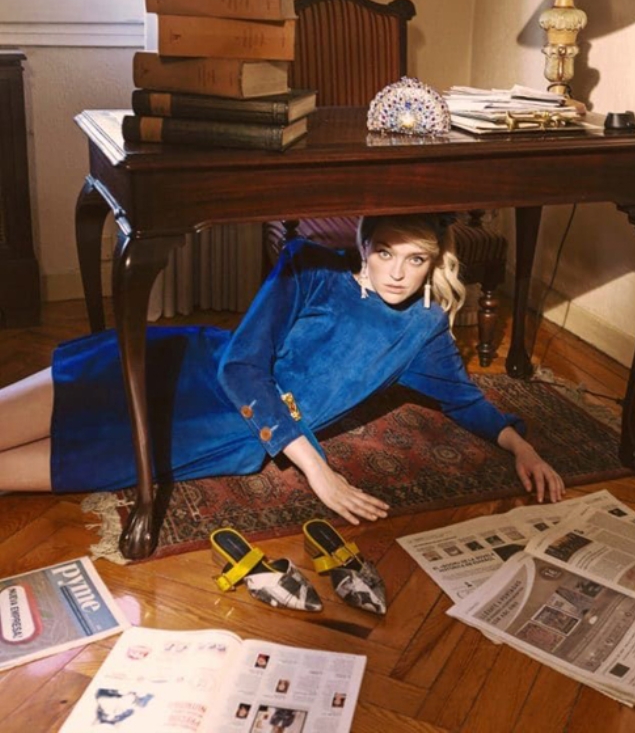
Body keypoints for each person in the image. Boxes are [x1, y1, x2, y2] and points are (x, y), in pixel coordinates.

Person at [0, 214, 563, 516]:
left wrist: (524, 448)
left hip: (215, 433)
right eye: (385, 252)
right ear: (364, 245)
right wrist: (319, 470)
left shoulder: (423, 327)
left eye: (415, 259)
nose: (397, 273)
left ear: (434, 262)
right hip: (183, 364)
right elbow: (241, 368)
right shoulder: (309, 267)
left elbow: (464, 398)